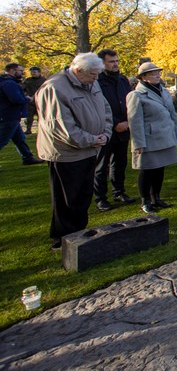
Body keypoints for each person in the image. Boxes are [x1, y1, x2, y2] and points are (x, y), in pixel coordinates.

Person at [36, 53, 112, 250]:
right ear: (78, 70)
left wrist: (105, 134)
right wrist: (92, 140)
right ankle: (62, 239)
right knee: (67, 198)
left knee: (83, 195)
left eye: (97, 74)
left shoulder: (91, 82)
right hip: (66, 153)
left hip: (91, 149)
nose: (96, 78)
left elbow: (105, 109)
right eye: (92, 74)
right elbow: (61, 126)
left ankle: (79, 234)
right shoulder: (55, 88)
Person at [127, 62, 177, 213]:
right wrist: (138, 143)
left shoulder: (163, 91)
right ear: (143, 77)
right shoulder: (136, 95)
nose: (157, 75)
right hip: (149, 138)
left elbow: (172, 114)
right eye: (153, 73)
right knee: (147, 170)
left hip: (165, 136)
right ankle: (145, 201)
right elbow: (135, 121)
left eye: (158, 73)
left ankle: (156, 197)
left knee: (160, 169)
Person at [93, 49, 135, 211]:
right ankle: (100, 197)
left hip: (124, 128)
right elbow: (98, 106)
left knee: (120, 162)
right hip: (105, 129)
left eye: (116, 61)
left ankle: (119, 191)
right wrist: (115, 123)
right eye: (111, 62)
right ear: (102, 63)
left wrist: (128, 121)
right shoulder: (97, 82)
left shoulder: (122, 80)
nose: (115, 64)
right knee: (101, 165)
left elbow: (130, 101)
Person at [0, 62, 42, 165]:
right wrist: (27, 99)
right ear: (12, 71)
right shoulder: (9, 83)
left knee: (19, 138)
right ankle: (27, 157)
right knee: (2, 140)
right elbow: (16, 99)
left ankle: (27, 157)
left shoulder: (7, 82)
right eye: (20, 71)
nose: (22, 73)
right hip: (8, 116)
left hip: (11, 115)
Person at [22, 66, 45, 135]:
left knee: (41, 117)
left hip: (40, 101)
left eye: (34, 72)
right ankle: (28, 130)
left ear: (39, 72)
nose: (32, 73)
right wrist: (26, 95)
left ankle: (41, 130)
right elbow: (22, 89)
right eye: (31, 72)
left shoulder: (44, 81)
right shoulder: (28, 80)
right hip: (30, 102)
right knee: (29, 117)